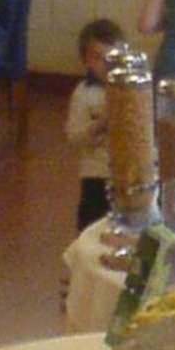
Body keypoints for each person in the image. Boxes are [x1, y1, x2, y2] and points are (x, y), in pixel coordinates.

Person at [65, 18, 126, 232]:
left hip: (127, 175)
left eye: (113, 57)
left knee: (127, 226)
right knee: (90, 227)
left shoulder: (131, 91)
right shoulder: (83, 94)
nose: (107, 64)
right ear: (85, 60)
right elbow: (74, 137)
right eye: (98, 57)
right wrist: (100, 125)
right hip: (96, 176)